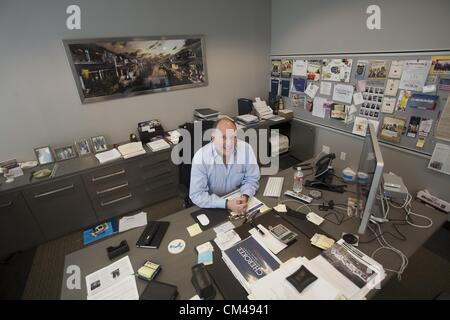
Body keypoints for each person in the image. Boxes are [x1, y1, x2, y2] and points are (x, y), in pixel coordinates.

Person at [189, 118, 260, 214]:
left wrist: (245, 196)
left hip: (239, 200)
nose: (229, 143)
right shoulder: (200, 158)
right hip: (213, 205)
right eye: (224, 137)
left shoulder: (246, 149)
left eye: (233, 137)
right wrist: (226, 203)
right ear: (213, 137)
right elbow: (197, 194)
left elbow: (252, 179)